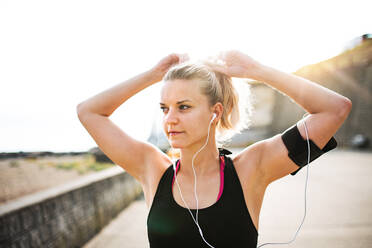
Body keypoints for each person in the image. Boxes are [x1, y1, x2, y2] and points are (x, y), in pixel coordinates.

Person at [76, 50, 352, 247]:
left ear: (215, 112)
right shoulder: (153, 169)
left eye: (184, 107)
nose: (170, 119)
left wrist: (257, 71)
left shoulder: (250, 169)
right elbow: (88, 112)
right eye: (164, 108)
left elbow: (334, 109)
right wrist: (153, 75)